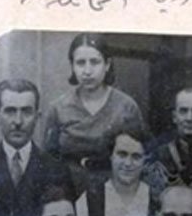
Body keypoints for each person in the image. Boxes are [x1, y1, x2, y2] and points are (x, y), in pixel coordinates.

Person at [0, 79, 74, 216]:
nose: (18, 121)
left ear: (37, 116)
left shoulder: (56, 170)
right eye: (10, 111)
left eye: (26, 112)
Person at [43, 33, 144, 195]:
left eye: (95, 62)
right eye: (80, 63)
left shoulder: (126, 107)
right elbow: (49, 160)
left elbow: (139, 157)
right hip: (68, 191)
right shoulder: (59, 108)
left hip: (114, 191)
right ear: (72, 66)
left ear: (107, 64)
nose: (87, 71)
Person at [74, 127, 158, 216]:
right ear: (111, 156)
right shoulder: (91, 197)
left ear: (145, 161)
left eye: (136, 157)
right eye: (122, 155)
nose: (128, 163)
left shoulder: (155, 199)